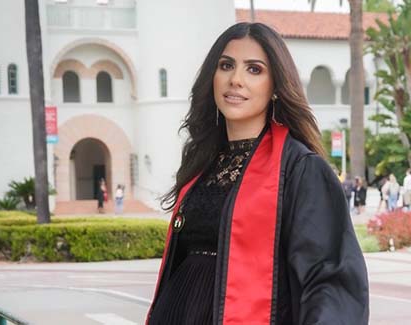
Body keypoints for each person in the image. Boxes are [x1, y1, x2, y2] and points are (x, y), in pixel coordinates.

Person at [146, 23, 369, 325]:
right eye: (226, 66)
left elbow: (328, 279)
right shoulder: (203, 163)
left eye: (254, 70)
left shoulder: (300, 170)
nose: (235, 80)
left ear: (275, 86)